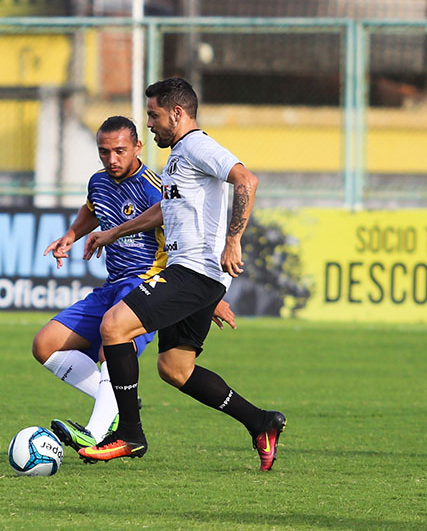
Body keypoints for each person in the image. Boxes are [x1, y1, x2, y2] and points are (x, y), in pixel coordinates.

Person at [79, 78, 286, 471]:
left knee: (114, 326)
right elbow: (164, 211)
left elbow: (246, 179)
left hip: (194, 271)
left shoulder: (197, 146)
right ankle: (260, 422)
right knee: (175, 368)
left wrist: (234, 240)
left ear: (177, 114)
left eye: (154, 116)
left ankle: (130, 434)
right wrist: (112, 232)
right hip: (196, 277)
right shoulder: (179, 157)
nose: (150, 124)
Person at [32, 115, 235, 455]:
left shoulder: (156, 187)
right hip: (113, 284)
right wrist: (70, 236)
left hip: (147, 284)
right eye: (104, 152)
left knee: (108, 348)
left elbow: (186, 243)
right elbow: (92, 209)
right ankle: (117, 404)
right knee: (45, 345)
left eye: (120, 151)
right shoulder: (98, 182)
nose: (112, 159)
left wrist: (206, 298)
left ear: (138, 147)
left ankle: (97, 432)